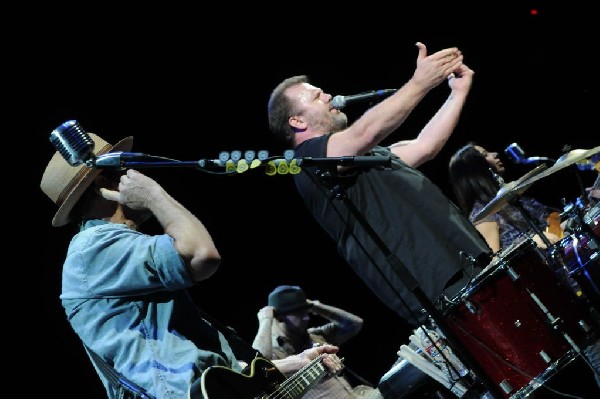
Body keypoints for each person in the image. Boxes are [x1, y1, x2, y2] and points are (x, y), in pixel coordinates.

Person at [40, 131, 343, 399]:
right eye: (123, 167)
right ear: (102, 182)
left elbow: (209, 372)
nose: (134, 172)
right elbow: (201, 255)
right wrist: (154, 196)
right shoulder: (94, 247)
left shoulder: (114, 250)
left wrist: (294, 363)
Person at [266, 42, 492, 330]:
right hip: (436, 287)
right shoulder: (309, 162)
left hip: (464, 259)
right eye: (316, 96)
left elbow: (425, 146)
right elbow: (366, 131)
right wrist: (419, 83)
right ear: (296, 121)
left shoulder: (360, 155)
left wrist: (457, 93)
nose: (329, 96)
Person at [252, 285, 382, 399]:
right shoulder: (275, 352)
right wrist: (265, 320)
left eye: (306, 311)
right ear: (279, 317)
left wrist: (316, 306)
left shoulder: (314, 335)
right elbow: (256, 362)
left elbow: (355, 324)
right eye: (298, 313)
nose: (307, 317)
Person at [447, 142, 563, 253]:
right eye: (485, 154)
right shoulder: (482, 215)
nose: (495, 154)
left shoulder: (512, 197)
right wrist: (528, 244)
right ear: (474, 169)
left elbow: (550, 223)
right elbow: (495, 262)